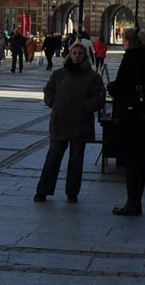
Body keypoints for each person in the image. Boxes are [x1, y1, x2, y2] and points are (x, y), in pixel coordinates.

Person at [33, 41, 104, 203]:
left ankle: (72, 192)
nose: (77, 56)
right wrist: (54, 102)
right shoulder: (60, 74)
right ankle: (43, 190)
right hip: (60, 121)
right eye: (74, 53)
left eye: (80, 53)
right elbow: (48, 90)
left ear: (85, 56)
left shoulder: (92, 77)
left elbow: (99, 97)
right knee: (53, 158)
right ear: (69, 55)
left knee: (76, 160)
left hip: (80, 123)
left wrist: (85, 107)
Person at [108, 28, 145, 217]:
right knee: (140, 160)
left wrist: (111, 87)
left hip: (129, 115)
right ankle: (137, 202)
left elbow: (120, 85)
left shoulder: (130, 57)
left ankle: (131, 203)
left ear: (128, 41)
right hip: (144, 112)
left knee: (130, 160)